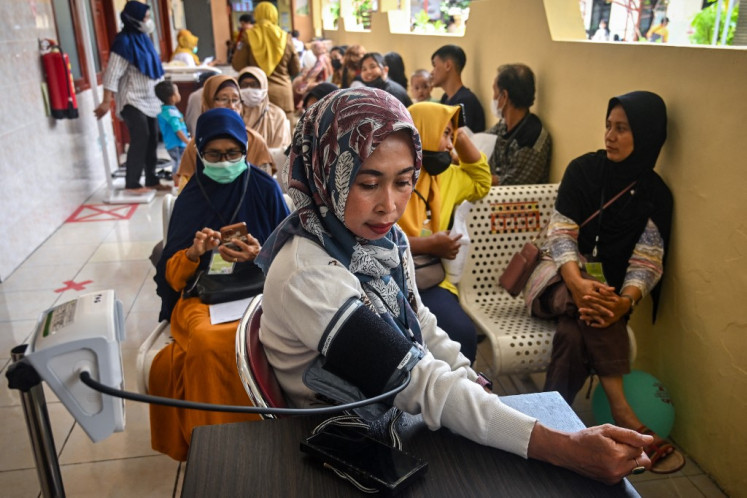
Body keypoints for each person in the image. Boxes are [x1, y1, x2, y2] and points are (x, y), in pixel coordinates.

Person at [256, 88, 655, 486]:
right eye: (368, 183)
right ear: (327, 172)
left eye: (403, 181)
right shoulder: (307, 274)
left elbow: (419, 322)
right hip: (346, 437)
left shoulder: (379, 239)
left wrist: (474, 384)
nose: (390, 206)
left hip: (388, 411)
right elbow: (416, 380)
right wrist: (566, 448)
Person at [523, 91, 683, 474]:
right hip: (556, 282)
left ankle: (554, 426)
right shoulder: (583, 171)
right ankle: (623, 410)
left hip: (604, 300)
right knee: (588, 303)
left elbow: (647, 260)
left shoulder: (655, 194)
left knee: (576, 333)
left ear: (646, 136)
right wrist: (578, 283)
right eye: (609, 126)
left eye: (622, 129)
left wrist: (625, 301)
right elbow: (561, 235)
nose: (610, 136)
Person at [150, 108, 290, 461]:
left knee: (247, 335)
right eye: (214, 154)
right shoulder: (192, 196)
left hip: (258, 292)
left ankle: (263, 440)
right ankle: (216, 450)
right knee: (208, 339)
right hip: (202, 296)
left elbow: (294, 256)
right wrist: (194, 253)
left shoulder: (264, 187)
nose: (224, 162)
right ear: (199, 153)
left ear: (246, 149)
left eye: (233, 154)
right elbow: (172, 274)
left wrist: (261, 253)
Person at [398, 102, 490, 362]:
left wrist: (458, 134)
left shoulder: (448, 176)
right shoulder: (393, 175)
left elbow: (481, 181)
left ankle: (457, 397)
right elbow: (374, 237)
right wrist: (429, 245)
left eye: (452, 135)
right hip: (389, 276)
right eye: (445, 134)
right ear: (421, 132)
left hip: (429, 280)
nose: (450, 145)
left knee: (461, 333)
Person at [94, 1, 168, 194]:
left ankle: (152, 179)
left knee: (152, 139)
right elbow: (112, 73)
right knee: (141, 138)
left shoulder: (144, 39)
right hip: (131, 99)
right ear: (133, 19)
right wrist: (105, 101)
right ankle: (132, 183)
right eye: (145, 18)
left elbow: (155, 69)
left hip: (150, 99)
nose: (148, 22)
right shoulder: (123, 42)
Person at [174, 75, 273, 187]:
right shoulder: (194, 146)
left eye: (236, 100)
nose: (231, 106)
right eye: (223, 99)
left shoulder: (255, 141)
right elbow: (185, 190)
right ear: (208, 102)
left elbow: (265, 184)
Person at [231, 2, 301, 121]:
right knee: (285, 137)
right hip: (282, 96)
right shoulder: (286, 37)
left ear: (256, 15)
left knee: (257, 136)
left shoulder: (248, 36)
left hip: (256, 95)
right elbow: (295, 69)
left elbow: (238, 65)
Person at [485, 64, 551, 186]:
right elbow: (482, 142)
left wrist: (479, 178)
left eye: (495, 91)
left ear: (504, 96)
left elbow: (512, 184)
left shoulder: (533, 139)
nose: (493, 97)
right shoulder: (503, 126)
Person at [430, 44, 485, 133]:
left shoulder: (465, 101)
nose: (431, 72)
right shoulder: (445, 97)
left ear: (447, 65)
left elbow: (457, 138)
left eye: (434, 65)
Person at [237, 66, 291, 150]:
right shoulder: (234, 112)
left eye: (254, 85)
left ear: (264, 86)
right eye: (244, 85)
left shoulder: (277, 115)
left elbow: (281, 150)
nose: (249, 89)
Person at [155, 81, 190, 171]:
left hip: (175, 143)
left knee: (179, 163)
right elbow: (177, 130)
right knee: (178, 164)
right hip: (176, 144)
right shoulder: (171, 113)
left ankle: (178, 181)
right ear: (173, 97)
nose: (179, 94)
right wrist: (187, 141)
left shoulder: (169, 110)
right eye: (177, 92)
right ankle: (177, 183)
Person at [291, 40, 333, 109]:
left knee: (299, 85)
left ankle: (300, 105)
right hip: (325, 81)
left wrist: (305, 78)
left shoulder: (321, 58)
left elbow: (314, 72)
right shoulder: (324, 57)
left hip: (323, 83)